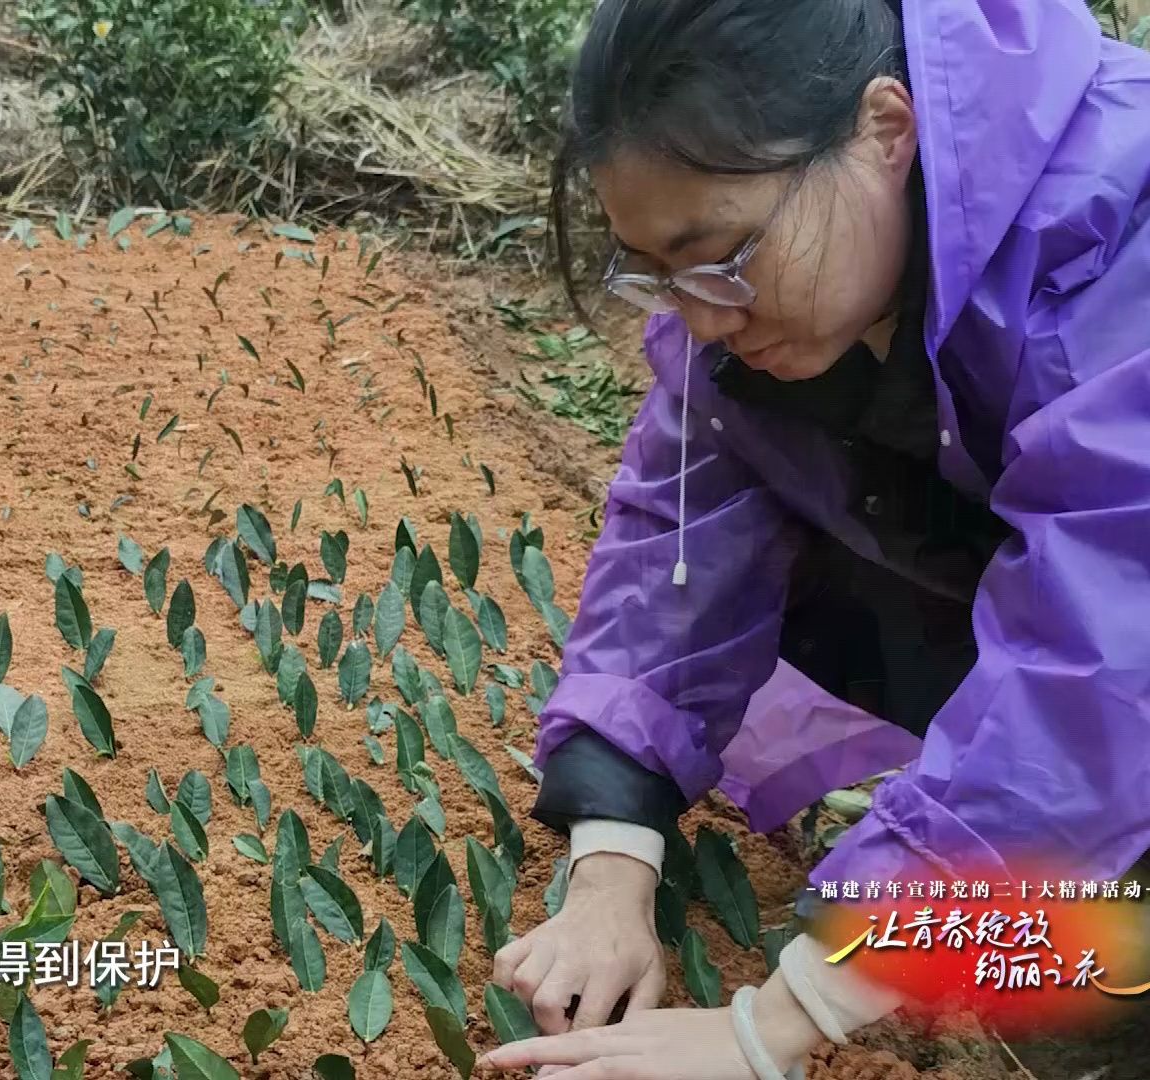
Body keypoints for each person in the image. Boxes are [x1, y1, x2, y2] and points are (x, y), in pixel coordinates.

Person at [484, 0, 1150, 1076]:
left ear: (886, 131)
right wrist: (611, 875)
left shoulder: (1118, 229)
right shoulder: (752, 318)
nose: (700, 317)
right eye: (658, 270)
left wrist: (772, 1027)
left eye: (723, 254)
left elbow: (1112, 653)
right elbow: (671, 564)